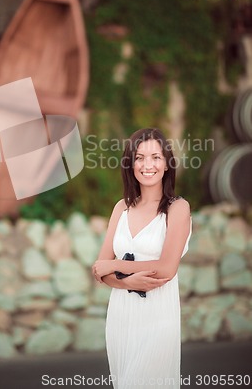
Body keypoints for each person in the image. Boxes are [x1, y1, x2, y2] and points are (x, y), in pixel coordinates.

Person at [92, 128, 192, 389]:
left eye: (156, 157)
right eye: (140, 157)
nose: (148, 165)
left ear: (167, 163)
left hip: (158, 318)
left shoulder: (177, 208)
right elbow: (100, 273)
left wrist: (115, 265)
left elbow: (166, 268)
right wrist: (128, 282)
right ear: (130, 164)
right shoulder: (121, 208)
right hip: (121, 318)